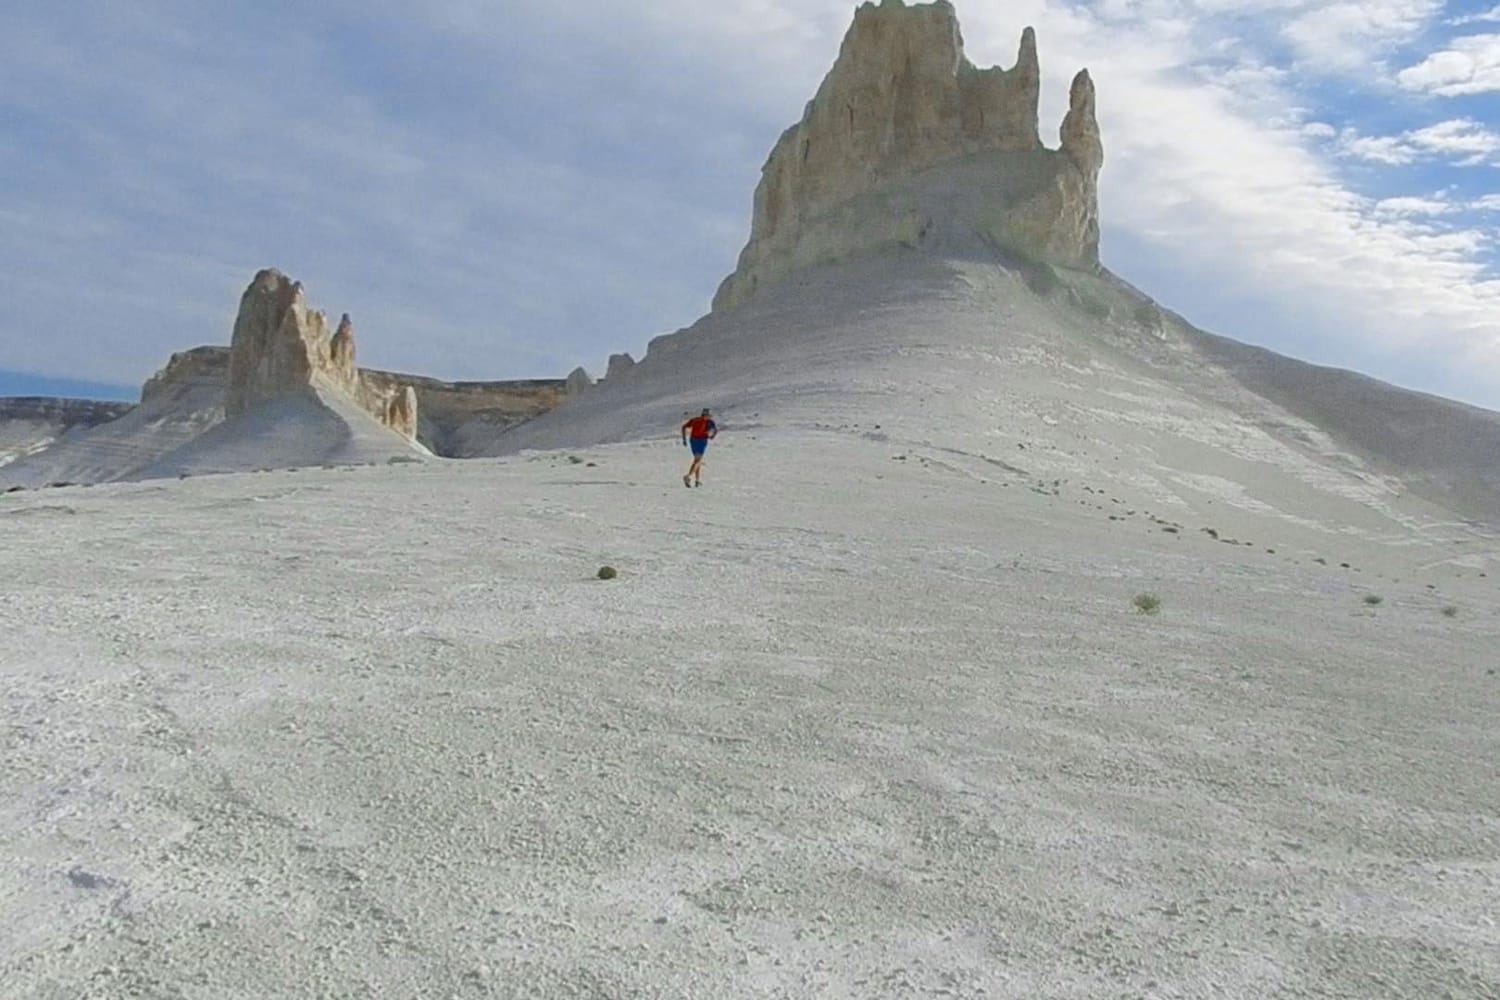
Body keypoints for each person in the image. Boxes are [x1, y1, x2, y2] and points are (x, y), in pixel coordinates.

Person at [680, 408, 718, 487]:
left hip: (693, 440)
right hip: (701, 441)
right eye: (709, 416)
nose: (710, 417)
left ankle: (697, 481)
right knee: (698, 460)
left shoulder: (695, 420)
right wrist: (712, 436)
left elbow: (684, 427)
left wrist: (684, 439)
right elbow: (715, 430)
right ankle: (689, 476)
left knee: (697, 461)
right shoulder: (709, 422)